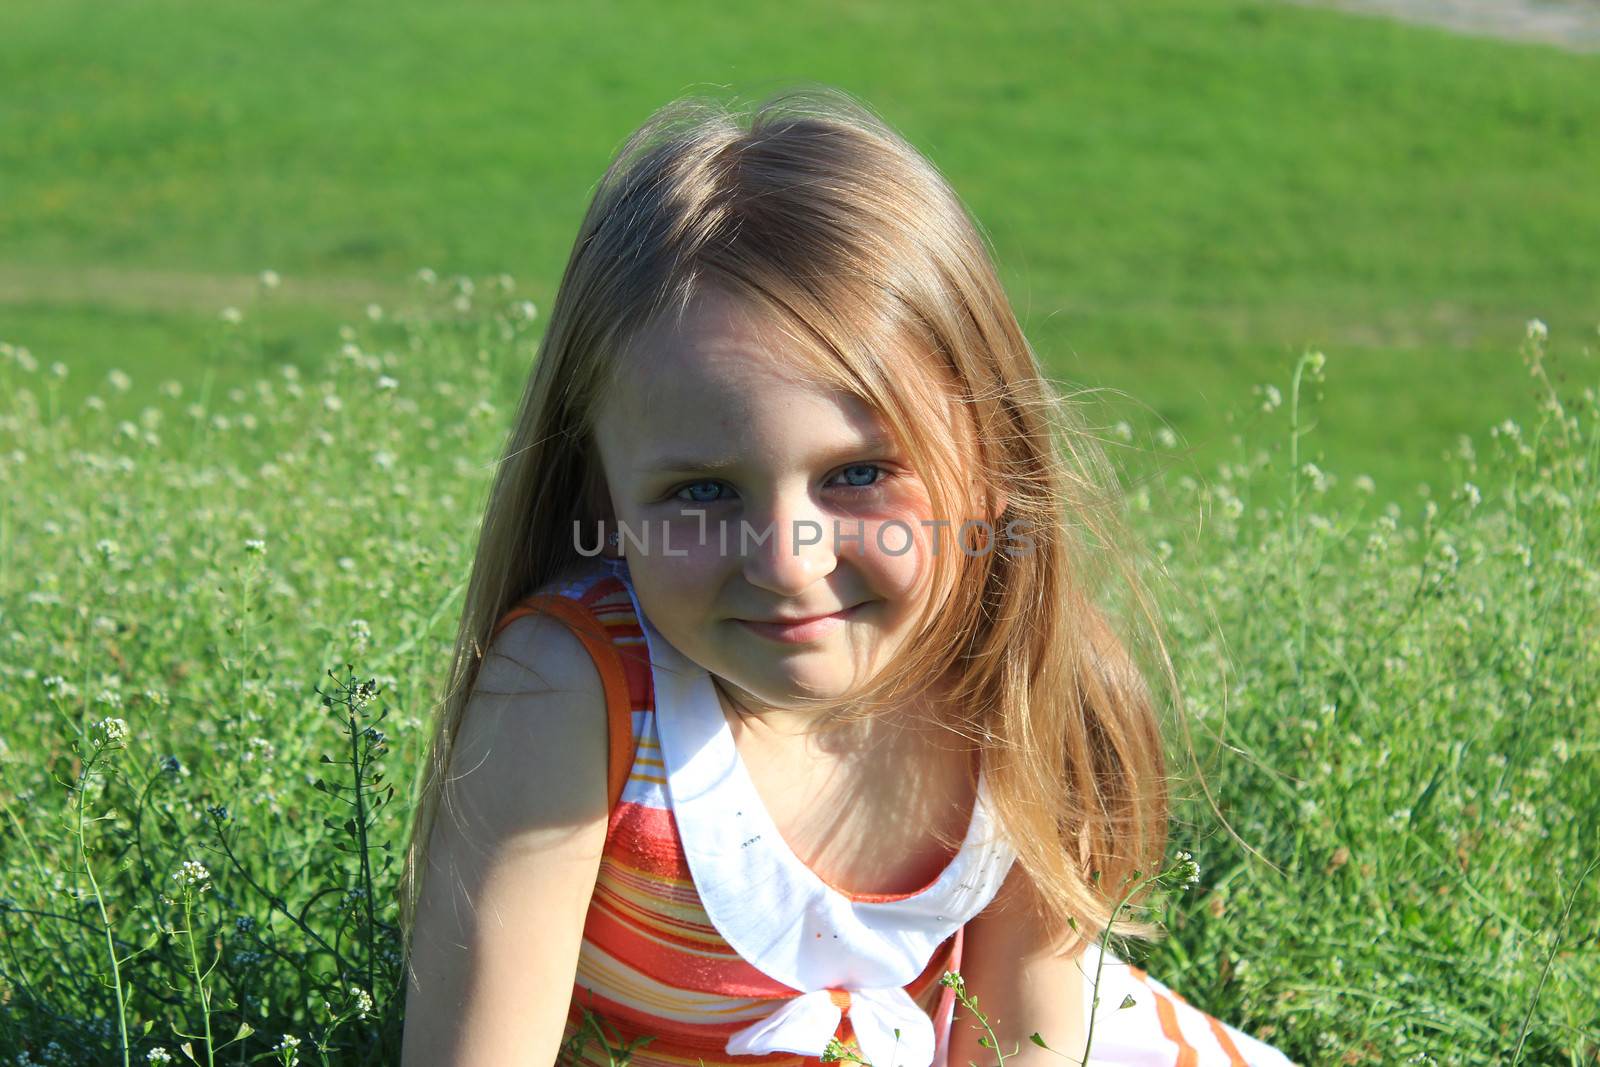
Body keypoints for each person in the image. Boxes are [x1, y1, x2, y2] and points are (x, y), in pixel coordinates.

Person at [397, 87, 1296, 1067]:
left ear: (992, 460)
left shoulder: (1024, 672)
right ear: (602, 490)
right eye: (699, 490)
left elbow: (1024, 1043)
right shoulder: (574, 696)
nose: (786, 560)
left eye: (858, 473)